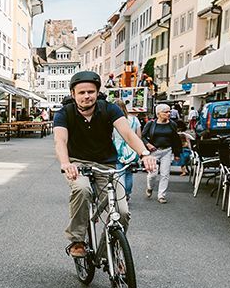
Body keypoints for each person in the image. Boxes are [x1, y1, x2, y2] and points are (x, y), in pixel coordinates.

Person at [54, 71, 156, 259]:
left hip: (106, 164)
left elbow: (128, 134)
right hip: (77, 163)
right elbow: (60, 141)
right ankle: (77, 240)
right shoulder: (64, 113)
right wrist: (66, 163)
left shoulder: (110, 109)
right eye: (82, 92)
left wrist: (144, 153)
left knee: (123, 213)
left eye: (91, 92)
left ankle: (104, 252)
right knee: (83, 190)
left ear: (97, 92)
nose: (87, 96)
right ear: (73, 93)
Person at [142, 104, 185, 203]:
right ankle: (150, 187)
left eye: (169, 111)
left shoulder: (172, 124)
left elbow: (176, 140)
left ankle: (161, 195)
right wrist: (148, 144)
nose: (168, 113)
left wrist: (177, 154)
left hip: (167, 150)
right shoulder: (151, 124)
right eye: (165, 112)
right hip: (154, 151)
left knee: (165, 174)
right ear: (158, 114)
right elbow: (142, 136)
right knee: (152, 174)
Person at [112, 99, 141, 198]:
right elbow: (138, 136)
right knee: (129, 173)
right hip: (131, 149)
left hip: (117, 149)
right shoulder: (134, 119)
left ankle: (122, 195)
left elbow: (110, 137)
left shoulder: (112, 120)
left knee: (120, 173)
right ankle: (127, 193)